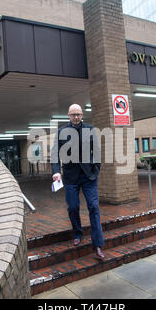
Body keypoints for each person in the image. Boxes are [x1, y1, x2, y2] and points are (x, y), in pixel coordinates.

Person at [51, 104, 105, 260]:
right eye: (73, 114)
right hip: (70, 177)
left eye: (79, 114)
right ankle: (77, 233)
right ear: (68, 115)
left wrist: (96, 168)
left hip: (89, 176)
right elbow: (55, 153)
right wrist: (56, 171)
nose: (76, 117)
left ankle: (98, 245)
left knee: (94, 207)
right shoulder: (62, 132)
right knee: (73, 207)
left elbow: (96, 151)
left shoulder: (90, 129)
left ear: (82, 115)